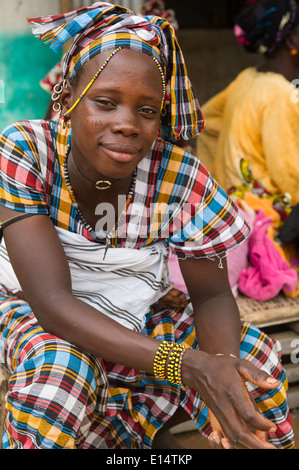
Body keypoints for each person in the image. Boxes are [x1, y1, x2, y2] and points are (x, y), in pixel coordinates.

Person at [0, 3, 295, 449]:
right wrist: (190, 366)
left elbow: (213, 295)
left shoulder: (179, 177)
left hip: (136, 311)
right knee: (62, 367)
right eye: (105, 103)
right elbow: (53, 303)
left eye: (147, 111)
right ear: (66, 102)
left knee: (254, 365)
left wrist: (224, 376)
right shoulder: (27, 151)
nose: (127, 125)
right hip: (28, 306)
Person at [196, 0, 299, 206]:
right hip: (267, 219)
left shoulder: (247, 78)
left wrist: (225, 173)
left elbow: (206, 118)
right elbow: (288, 174)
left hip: (237, 209)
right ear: (290, 41)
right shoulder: (282, 94)